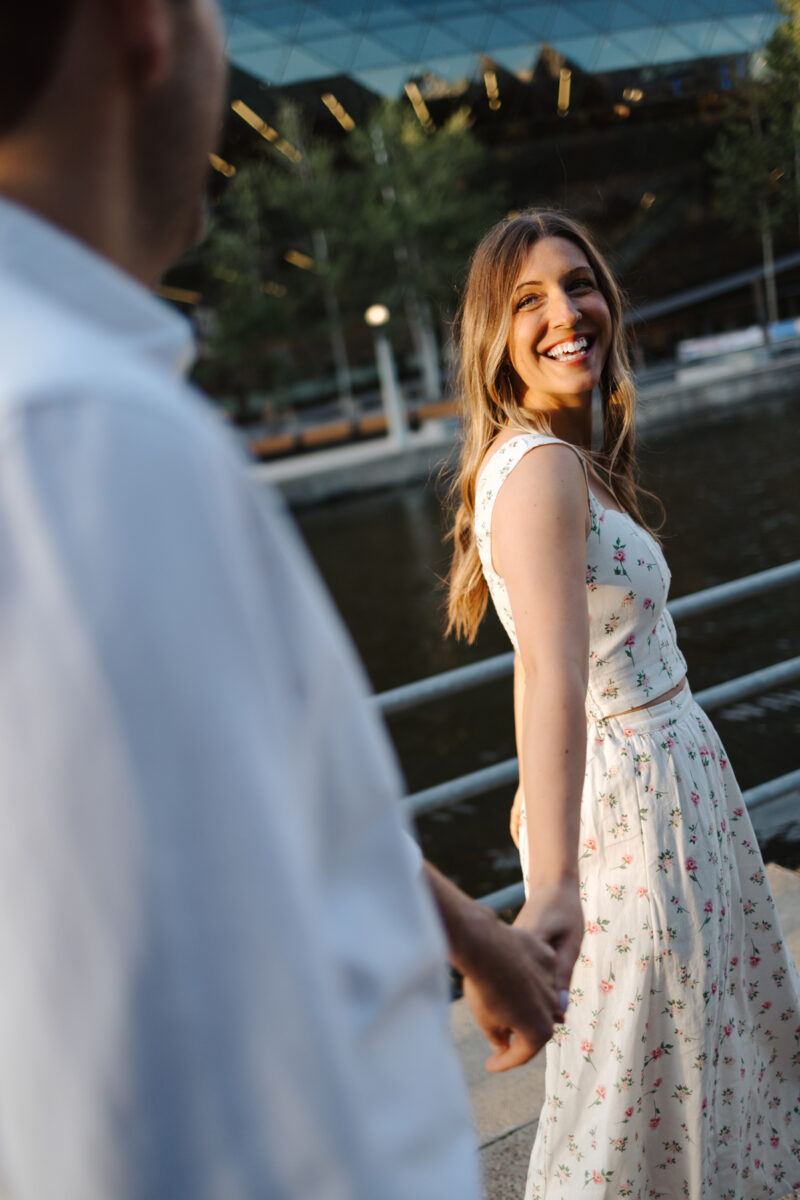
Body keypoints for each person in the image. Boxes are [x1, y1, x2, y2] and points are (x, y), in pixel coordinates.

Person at [0, 3, 563, 1197]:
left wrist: (466, 932)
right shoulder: (81, 444)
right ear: (143, 29)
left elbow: (219, 805)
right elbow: (189, 1105)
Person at [446, 209, 800, 1199]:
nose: (565, 312)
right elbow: (550, 673)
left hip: (661, 796)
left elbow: (551, 664)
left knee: (674, 1061)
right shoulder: (544, 470)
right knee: (639, 1076)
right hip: (639, 812)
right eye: (527, 300)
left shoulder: (544, 462)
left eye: (578, 284)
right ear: (493, 338)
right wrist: (552, 884)